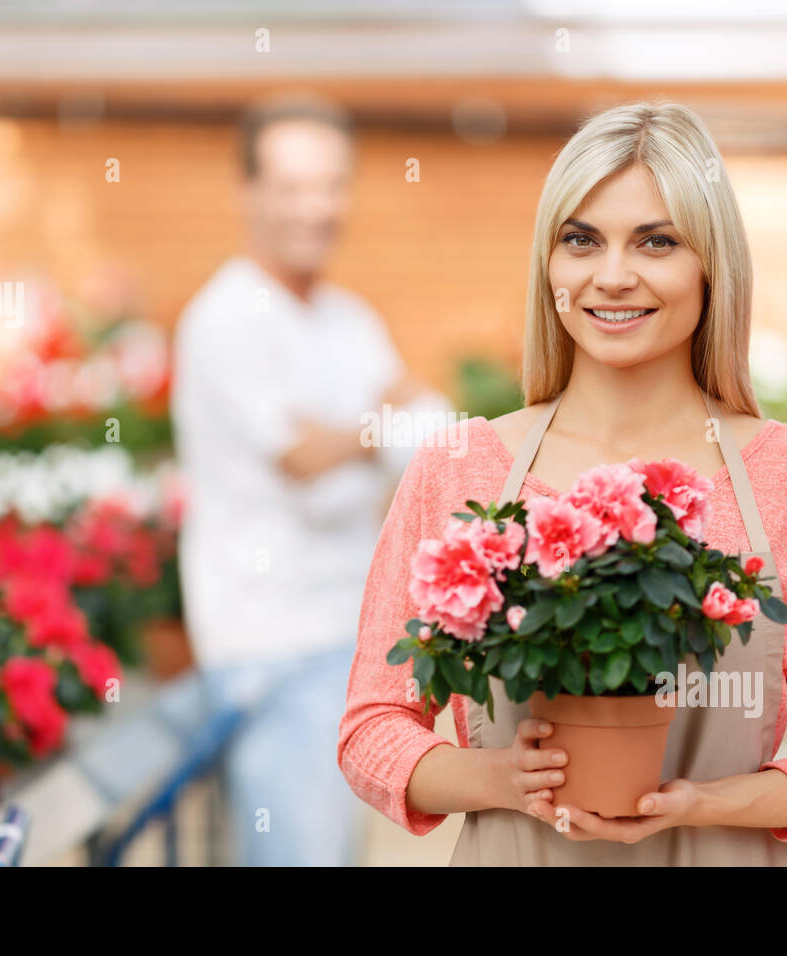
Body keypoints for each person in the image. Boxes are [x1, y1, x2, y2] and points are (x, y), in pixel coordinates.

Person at [338, 101, 787, 865]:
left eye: (656, 241)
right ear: (549, 262)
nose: (611, 276)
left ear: (711, 264)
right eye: (581, 240)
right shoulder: (457, 468)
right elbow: (371, 730)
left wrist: (712, 802)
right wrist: (500, 779)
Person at [170, 92, 453, 866]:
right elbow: (300, 457)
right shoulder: (226, 318)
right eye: (294, 186)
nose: (317, 207)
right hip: (271, 646)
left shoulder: (349, 319)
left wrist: (368, 433)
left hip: (351, 641)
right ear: (249, 193)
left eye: (331, 184)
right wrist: (379, 425)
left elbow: (427, 438)